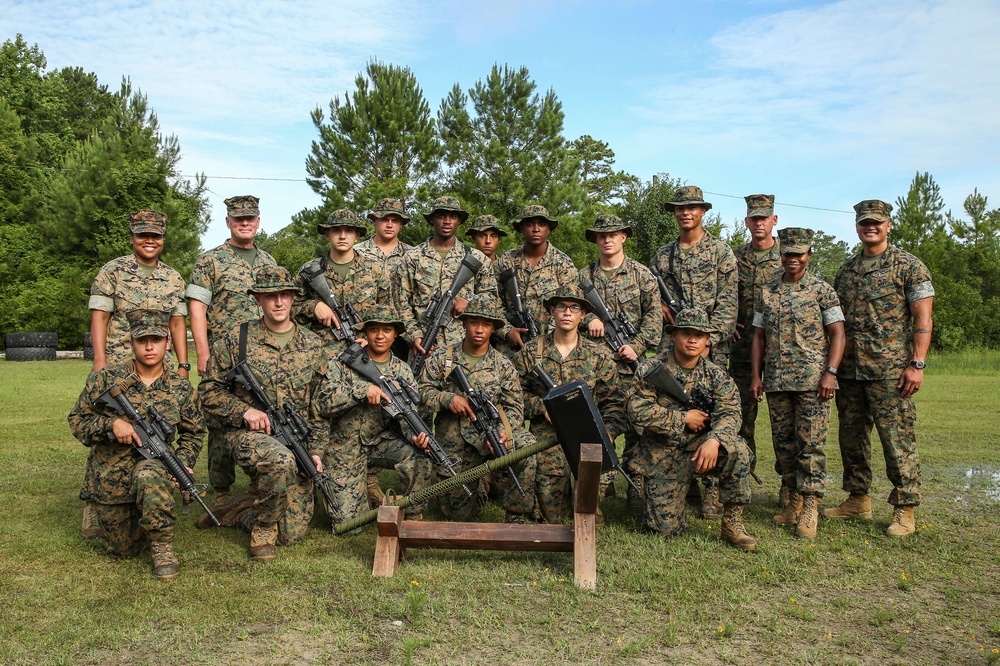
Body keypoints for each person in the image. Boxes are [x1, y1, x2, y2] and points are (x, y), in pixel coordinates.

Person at [197, 266, 329, 560]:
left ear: (294, 298)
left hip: (293, 437)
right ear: (258, 299)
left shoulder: (313, 345)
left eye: (284, 295)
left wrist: (316, 451)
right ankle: (263, 528)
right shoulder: (237, 339)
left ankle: (240, 510)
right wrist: (243, 410)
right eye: (271, 296)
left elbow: (318, 409)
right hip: (244, 436)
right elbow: (208, 391)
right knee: (279, 460)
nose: (279, 302)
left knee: (292, 534)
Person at [68, 309, 206, 580]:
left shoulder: (180, 387)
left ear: (168, 343)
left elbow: (194, 432)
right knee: (122, 550)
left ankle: (162, 546)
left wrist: (183, 462)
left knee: (150, 475)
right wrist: (111, 425)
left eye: (156, 339)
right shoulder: (106, 379)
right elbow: (78, 421)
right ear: (132, 343)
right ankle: (97, 506)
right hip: (111, 477)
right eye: (142, 340)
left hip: (151, 470)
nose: (150, 346)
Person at [825, 200, 934, 537]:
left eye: (876, 222)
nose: (869, 227)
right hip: (850, 370)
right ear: (857, 227)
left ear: (888, 224)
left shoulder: (909, 266)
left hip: (890, 370)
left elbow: (923, 317)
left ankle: (905, 507)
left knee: (896, 439)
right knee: (851, 437)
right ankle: (858, 498)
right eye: (863, 223)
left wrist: (917, 364)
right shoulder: (846, 271)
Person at [84, 209, 189, 539]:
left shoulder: (174, 278)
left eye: (155, 236)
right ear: (132, 237)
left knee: (153, 431)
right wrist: (100, 362)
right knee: (108, 432)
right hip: (118, 365)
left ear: (163, 239)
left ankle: (153, 491)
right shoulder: (112, 271)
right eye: (143, 234)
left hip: (158, 364)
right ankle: (94, 501)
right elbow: (100, 317)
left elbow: (177, 323)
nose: (149, 240)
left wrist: (183, 366)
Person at [627, 309, 757, 550]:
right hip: (663, 453)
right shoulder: (651, 369)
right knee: (664, 530)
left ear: (707, 339)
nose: (693, 339)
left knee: (738, 448)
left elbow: (731, 413)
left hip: (702, 449)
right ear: (674, 335)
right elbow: (637, 411)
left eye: (699, 335)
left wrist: (714, 441)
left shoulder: (716, 375)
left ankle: (732, 523)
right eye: (686, 333)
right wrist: (683, 418)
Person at [750, 228, 845, 538]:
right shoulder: (767, 291)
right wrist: (756, 376)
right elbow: (758, 337)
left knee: (810, 446)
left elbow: (838, 334)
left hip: (812, 382)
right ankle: (792, 501)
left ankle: (810, 507)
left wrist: (830, 372)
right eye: (788, 253)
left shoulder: (822, 290)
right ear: (782, 255)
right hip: (777, 381)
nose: (793, 259)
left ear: (808, 256)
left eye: (799, 254)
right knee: (784, 446)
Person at [651, 186, 738, 517]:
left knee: (711, 412)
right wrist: (659, 306)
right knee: (671, 408)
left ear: (703, 212)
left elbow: (729, 305)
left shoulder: (720, 252)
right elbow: (652, 293)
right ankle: (675, 478)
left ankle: (712, 488)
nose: (685, 212)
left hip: (708, 349)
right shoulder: (663, 255)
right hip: (672, 347)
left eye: (692, 208)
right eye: (679, 208)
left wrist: (707, 344)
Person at [187, 195, 276, 507]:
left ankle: (256, 482)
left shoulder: (268, 262)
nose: (245, 223)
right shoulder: (210, 261)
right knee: (220, 421)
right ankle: (222, 489)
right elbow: (197, 308)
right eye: (239, 219)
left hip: (260, 356)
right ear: (228, 222)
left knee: (261, 415)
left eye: (250, 218)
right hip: (223, 356)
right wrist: (202, 352)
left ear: (258, 222)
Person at [417, 295, 535, 523]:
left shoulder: (503, 365)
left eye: (486, 324)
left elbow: (515, 406)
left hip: (491, 437)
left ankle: (515, 513)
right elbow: (422, 393)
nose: (479, 329)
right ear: (464, 323)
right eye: (474, 323)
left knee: (526, 447)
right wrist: (447, 399)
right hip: (457, 444)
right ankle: (485, 483)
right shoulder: (444, 358)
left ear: (493, 328)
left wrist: (503, 432)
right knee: (458, 514)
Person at [514, 287, 625, 524]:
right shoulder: (532, 352)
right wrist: (541, 408)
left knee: (596, 484)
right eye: (562, 307)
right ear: (552, 311)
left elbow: (615, 403)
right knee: (551, 518)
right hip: (547, 439)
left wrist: (609, 432)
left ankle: (588, 502)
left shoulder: (598, 356)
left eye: (574, 308)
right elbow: (512, 398)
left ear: (583, 314)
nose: (567, 313)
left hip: (587, 435)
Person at [313, 306, 433, 524]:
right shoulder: (343, 362)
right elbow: (322, 403)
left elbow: (407, 416)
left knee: (419, 456)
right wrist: (359, 391)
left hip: (379, 442)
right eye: (374, 329)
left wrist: (414, 436)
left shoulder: (402, 370)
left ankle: (413, 514)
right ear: (364, 333)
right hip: (344, 448)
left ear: (395, 334)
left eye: (387, 330)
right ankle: (364, 485)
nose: (380, 336)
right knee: (348, 523)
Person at [577, 213, 660, 506]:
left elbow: (654, 316)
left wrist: (636, 346)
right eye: (601, 235)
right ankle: (600, 481)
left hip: (630, 366)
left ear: (623, 237)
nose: (607, 239)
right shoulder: (583, 277)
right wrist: (588, 318)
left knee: (638, 424)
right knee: (598, 424)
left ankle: (635, 480)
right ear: (596, 240)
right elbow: (567, 310)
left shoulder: (641, 274)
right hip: (594, 367)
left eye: (613, 234)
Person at [395, 196, 498, 357]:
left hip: (465, 347)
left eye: (453, 216)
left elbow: (492, 298)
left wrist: (469, 302)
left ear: (459, 221)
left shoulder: (477, 258)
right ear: (432, 220)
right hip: (425, 347)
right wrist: (415, 336)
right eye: (441, 216)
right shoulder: (412, 258)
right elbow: (400, 304)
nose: (447, 221)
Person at [729, 194, 783, 484]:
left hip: (780, 350)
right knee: (740, 416)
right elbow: (723, 294)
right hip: (741, 349)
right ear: (747, 221)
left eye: (764, 217)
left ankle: (789, 485)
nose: (759, 222)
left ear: (774, 220)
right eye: (754, 217)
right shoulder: (734, 257)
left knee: (783, 421)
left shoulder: (789, 255)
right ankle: (741, 477)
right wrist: (728, 323)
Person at [293, 209, 390, 352]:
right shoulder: (310, 270)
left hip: (366, 353)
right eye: (337, 230)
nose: (343, 236)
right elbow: (287, 310)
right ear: (327, 234)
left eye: (349, 231)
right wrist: (313, 307)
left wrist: (371, 339)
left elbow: (388, 313)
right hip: (322, 355)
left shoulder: (376, 270)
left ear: (357, 236)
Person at [495, 205, 579, 351]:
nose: (535, 229)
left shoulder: (563, 264)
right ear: (521, 228)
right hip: (510, 349)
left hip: (551, 348)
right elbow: (491, 301)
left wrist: (550, 339)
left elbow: (571, 308)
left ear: (549, 229)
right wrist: (507, 331)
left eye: (542, 224)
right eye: (529, 224)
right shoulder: (505, 261)